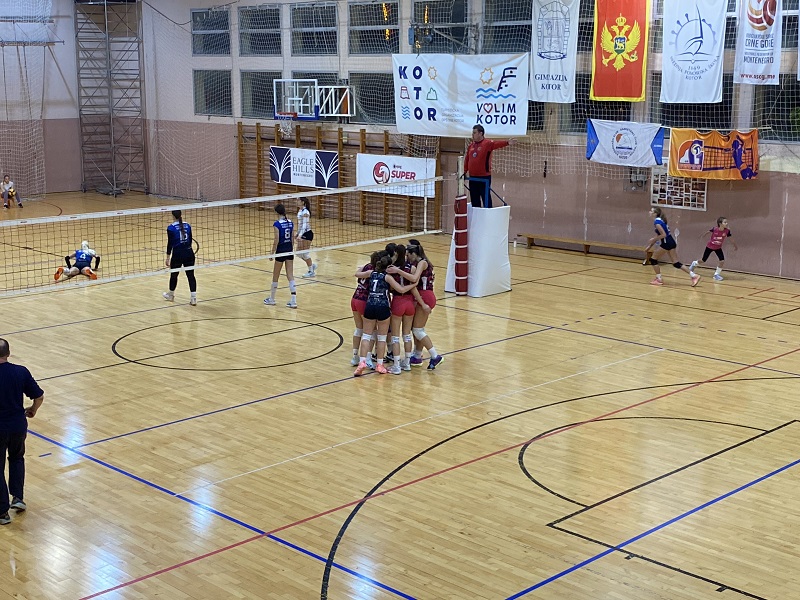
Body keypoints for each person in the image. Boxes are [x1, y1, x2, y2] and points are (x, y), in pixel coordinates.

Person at [0, 338, 44, 525]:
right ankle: (17, 497)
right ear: (8, 354)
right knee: (17, 458)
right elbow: (39, 396)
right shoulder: (20, 371)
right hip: (18, 426)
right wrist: (33, 410)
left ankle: (2, 512)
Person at [353, 252, 417, 376]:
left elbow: (357, 274)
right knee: (381, 338)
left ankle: (362, 362)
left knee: (366, 336)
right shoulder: (387, 277)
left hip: (370, 305)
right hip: (383, 307)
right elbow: (401, 289)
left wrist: (364, 266)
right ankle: (380, 365)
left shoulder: (371, 273)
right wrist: (414, 284)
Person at [405, 240, 443, 370]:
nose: (407, 257)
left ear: (414, 253)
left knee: (417, 330)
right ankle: (417, 356)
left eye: (408, 254)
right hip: (424, 295)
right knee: (417, 329)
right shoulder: (423, 262)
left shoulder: (422, 262)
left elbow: (414, 279)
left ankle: (435, 356)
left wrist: (399, 272)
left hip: (425, 296)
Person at [463, 125, 516, 208]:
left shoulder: (487, 143)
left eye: (474, 133)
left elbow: (497, 144)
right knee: (474, 200)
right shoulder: (471, 146)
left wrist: (507, 142)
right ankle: (477, 215)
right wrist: (464, 171)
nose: (472, 135)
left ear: (481, 133)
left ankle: (488, 214)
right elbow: (467, 159)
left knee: (486, 198)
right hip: (473, 177)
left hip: (484, 177)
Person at [645, 207, 700, 287]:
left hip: (667, 243)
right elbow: (658, 235)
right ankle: (694, 276)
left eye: (651, 211)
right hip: (671, 242)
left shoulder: (657, 222)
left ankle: (659, 279)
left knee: (653, 260)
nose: (649, 212)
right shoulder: (660, 221)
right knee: (676, 263)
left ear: (655, 214)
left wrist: (653, 239)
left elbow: (663, 235)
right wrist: (650, 246)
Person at [264, 203, 297, 308]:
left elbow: (276, 240)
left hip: (281, 251)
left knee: (275, 275)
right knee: (290, 275)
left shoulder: (277, 224)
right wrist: (291, 249)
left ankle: (272, 299)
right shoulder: (290, 222)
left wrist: (272, 253)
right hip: (289, 250)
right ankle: (293, 301)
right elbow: (292, 238)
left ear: (276, 212)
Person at [163, 210, 197, 305]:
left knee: (174, 275)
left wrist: (168, 257)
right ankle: (193, 298)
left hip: (177, 254)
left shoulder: (171, 228)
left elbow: (170, 244)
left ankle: (171, 295)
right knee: (191, 275)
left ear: (173, 216)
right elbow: (190, 240)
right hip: (189, 253)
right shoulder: (188, 225)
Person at [690, 217, 738, 281]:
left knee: (722, 261)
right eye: (725, 222)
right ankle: (694, 263)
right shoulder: (715, 229)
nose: (726, 223)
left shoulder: (727, 231)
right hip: (709, 247)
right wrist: (702, 236)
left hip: (718, 248)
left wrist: (735, 245)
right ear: (720, 224)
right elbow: (708, 232)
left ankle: (716, 275)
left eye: (727, 222)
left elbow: (731, 239)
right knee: (703, 260)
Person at [295, 197, 317, 278]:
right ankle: (311, 265)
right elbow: (300, 224)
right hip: (302, 233)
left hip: (307, 234)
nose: (296, 201)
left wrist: (300, 235)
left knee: (304, 254)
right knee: (298, 253)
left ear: (303, 202)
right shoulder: (300, 211)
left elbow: (304, 225)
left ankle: (311, 272)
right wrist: (297, 233)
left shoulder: (306, 212)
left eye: (298, 200)